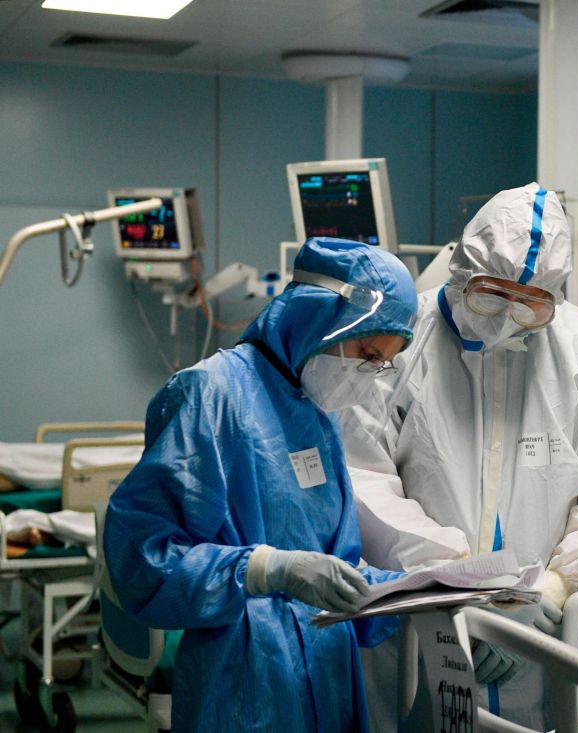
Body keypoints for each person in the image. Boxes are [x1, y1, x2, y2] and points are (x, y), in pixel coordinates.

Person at [342, 183, 578, 729]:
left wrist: (557, 586)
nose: (505, 319)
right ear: (461, 271)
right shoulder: (401, 343)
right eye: (489, 296)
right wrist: (455, 584)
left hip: (541, 637)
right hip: (421, 629)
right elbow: (362, 477)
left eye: (530, 306)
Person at [103, 237, 418, 732]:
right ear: (320, 316)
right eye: (365, 350)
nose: (367, 374)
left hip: (328, 675)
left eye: (381, 362)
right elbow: (143, 558)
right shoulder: (210, 393)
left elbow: (333, 562)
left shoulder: (317, 410)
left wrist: (414, 595)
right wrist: (269, 569)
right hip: (244, 684)